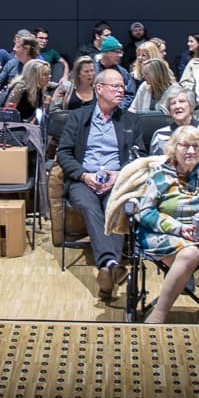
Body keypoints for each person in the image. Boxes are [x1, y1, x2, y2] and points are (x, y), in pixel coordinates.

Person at [131, 125, 199, 324]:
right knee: (190, 253)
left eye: (196, 146)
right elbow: (145, 212)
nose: (191, 151)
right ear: (174, 148)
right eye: (185, 146)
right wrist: (178, 228)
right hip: (164, 231)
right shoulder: (160, 174)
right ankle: (158, 315)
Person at [57, 68, 143, 301]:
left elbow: (139, 156)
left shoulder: (130, 120)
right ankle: (111, 264)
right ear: (99, 89)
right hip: (84, 179)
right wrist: (85, 175)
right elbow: (63, 154)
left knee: (116, 205)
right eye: (115, 86)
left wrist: (119, 175)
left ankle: (108, 267)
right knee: (88, 206)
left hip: (118, 180)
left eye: (122, 87)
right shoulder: (78, 117)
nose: (121, 90)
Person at [148, 85, 199, 163]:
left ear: (191, 106)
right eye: (173, 103)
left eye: (182, 101)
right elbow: (153, 167)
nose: (177, 106)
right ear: (169, 109)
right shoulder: (160, 135)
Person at [2, 58, 51, 123]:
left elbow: (38, 118)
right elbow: (7, 114)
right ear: (34, 75)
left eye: (49, 74)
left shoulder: (39, 88)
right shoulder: (20, 87)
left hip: (28, 127)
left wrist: (45, 106)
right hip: (14, 126)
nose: (49, 76)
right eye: (45, 74)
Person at [93, 36, 135, 111]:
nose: (120, 55)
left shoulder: (122, 72)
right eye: (116, 52)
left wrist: (117, 109)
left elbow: (129, 94)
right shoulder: (92, 70)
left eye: (120, 52)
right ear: (105, 52)